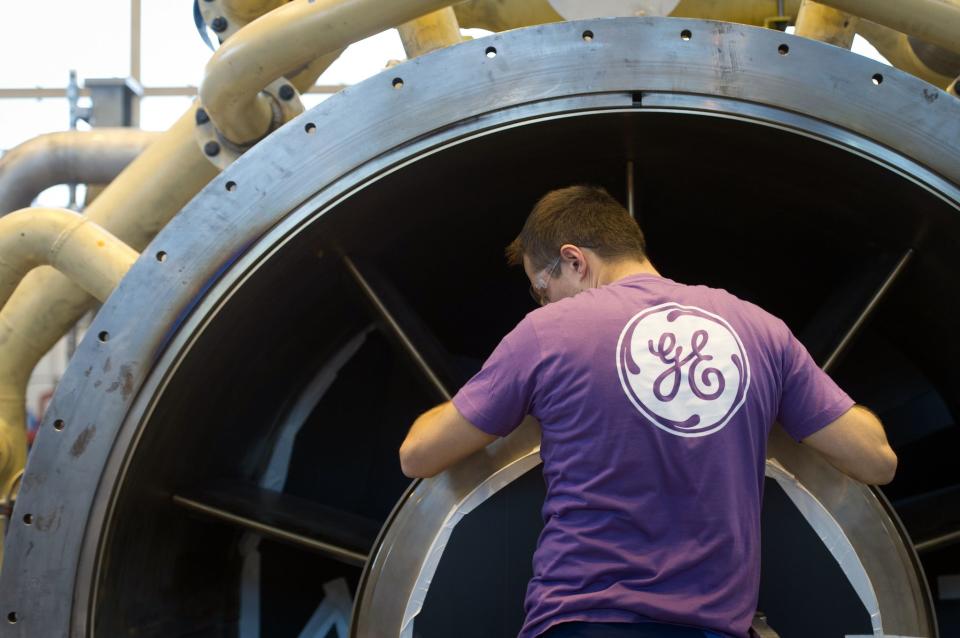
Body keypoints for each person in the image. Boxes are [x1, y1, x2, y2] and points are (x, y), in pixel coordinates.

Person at [398, 184, 897, 638]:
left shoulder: (546, 333)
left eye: (541, 288)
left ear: (574, 261)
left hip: (585, 620)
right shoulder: (761, 331)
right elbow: (876, 460)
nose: (543, 304)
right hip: (715, 628)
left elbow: (419, 455)